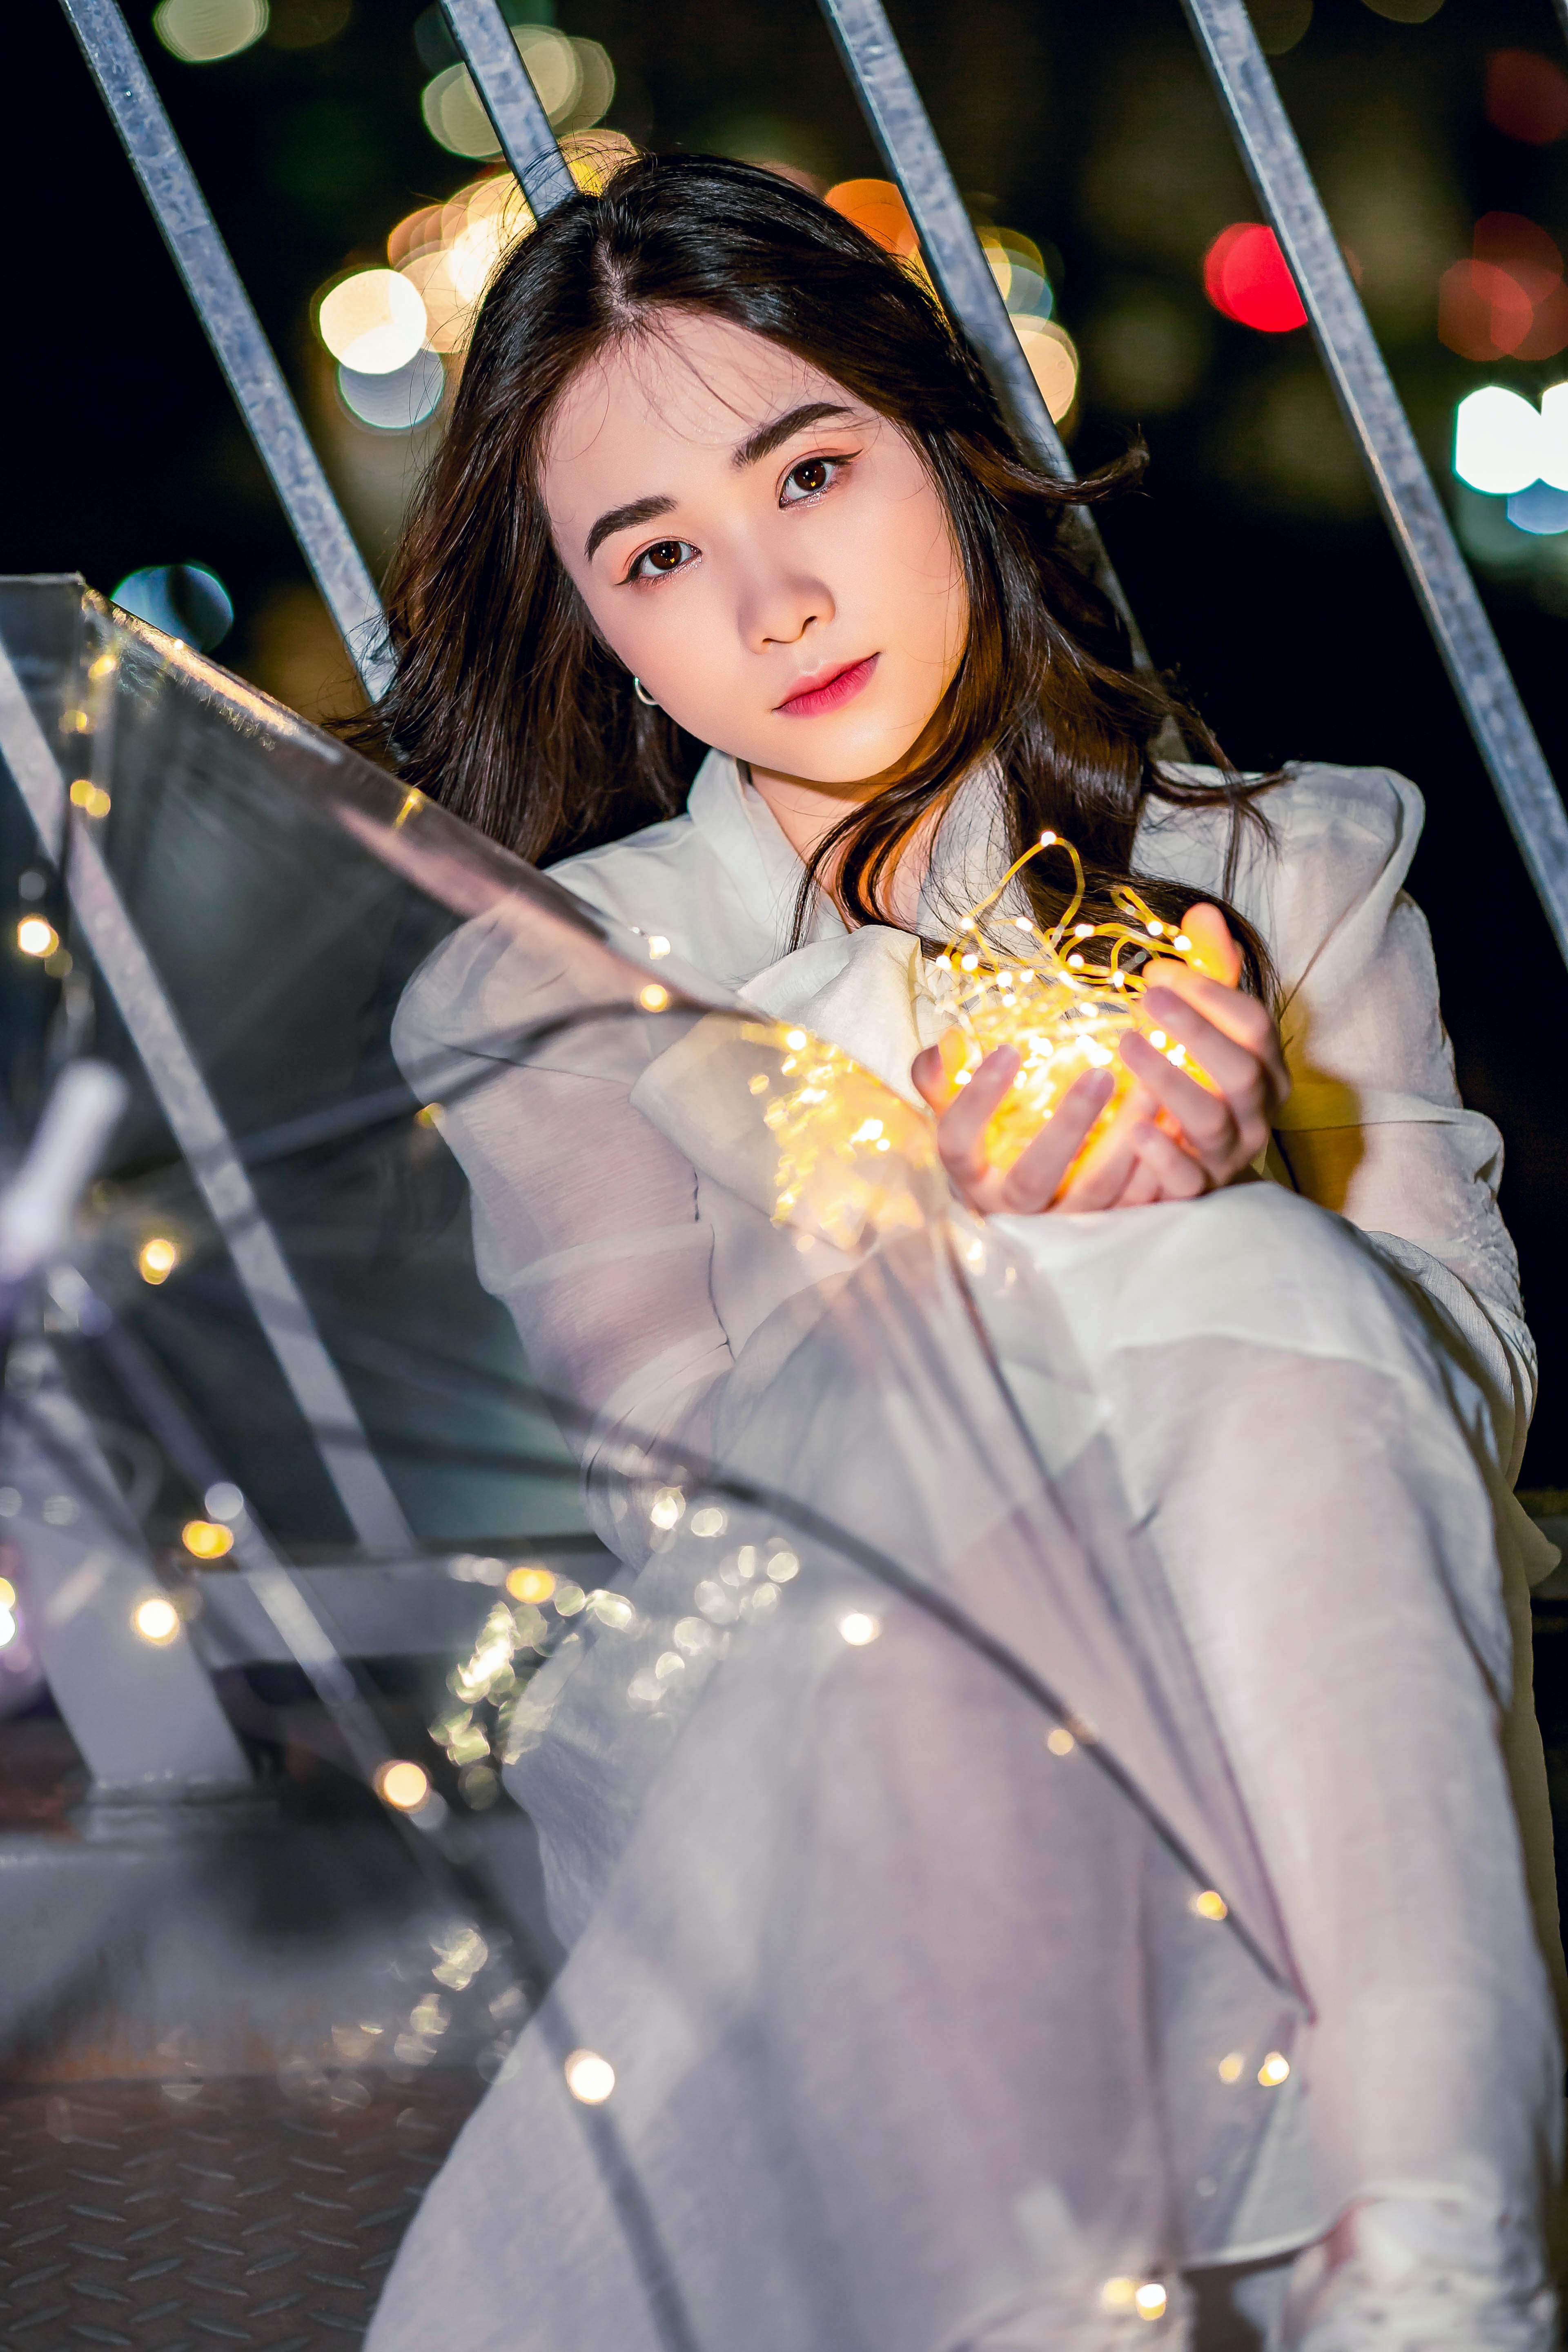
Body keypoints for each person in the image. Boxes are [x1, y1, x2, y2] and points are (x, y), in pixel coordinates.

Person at [365, 156, 1562, 2351]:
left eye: (810, 468)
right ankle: (1419, 2266)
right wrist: (978, 1248)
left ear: (948, 448)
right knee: (1212, 1294)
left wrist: (1210, 1197)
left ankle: (1424, 2274)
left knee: (1287, 1296)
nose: (775, 601)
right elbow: (681, 1500)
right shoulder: (572, 983)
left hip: (1289, 1647)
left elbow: (1465, 1380)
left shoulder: (1281, 864)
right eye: (658, 555)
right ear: (596, 618)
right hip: (825, 1723)